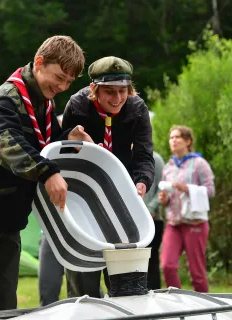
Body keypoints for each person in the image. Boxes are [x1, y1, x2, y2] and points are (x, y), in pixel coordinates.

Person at [0, 35, 94, 317]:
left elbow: (44, 146)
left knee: (5, 306)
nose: (62, 87)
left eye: (68, 83)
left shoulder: (45, 103)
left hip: (10, 219)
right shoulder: (3, 101)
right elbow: (8, 146)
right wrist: (47, 172)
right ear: (39, 63)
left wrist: (69, 138)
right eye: (59, 77)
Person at [61, 56, 155, 298]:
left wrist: (142, 182)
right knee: (84, 284)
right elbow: (61, 149)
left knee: (126, 284)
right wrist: (73, 140)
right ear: (94, 90)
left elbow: (145, 154)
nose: (117, 99)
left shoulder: (137, 108)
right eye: (110, 92)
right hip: (84, 193)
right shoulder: (77, 105)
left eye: (122, 91)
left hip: (122, 193)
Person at [158, 125, 214, 292]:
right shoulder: (168, 167)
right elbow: (167, 196)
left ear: (188, 141)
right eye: (171, 137)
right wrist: (164, 199)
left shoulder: (199, 164)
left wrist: (187, 188)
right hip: (173, 223)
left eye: (178, 137)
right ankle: (177, 305)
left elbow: (210, 190)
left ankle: (205, 310)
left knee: (197, 273)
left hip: (195, 223)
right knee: (167, 265)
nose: (173, 140)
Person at [144, 151, 165, 290]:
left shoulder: (155, 159)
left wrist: (151, 209)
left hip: (153, 220)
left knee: (151, 261)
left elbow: (161, 189)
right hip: (133, 222)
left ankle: (155, 295)